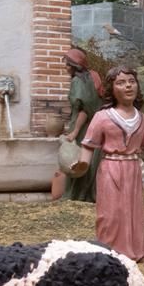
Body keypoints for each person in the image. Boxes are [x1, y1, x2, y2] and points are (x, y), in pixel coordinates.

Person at [71, 65, 144, 261]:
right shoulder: (102, 117)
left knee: (133, 212)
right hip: (111, 169)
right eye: (121, 83)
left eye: (132, 82)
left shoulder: (142, 118)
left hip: (133, 170)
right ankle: (110, 250)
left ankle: (135, 251)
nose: (128, 87)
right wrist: (83, 163)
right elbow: (89, 146)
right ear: (111, 89)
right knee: (111, 213)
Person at [60, 47, 106, 202]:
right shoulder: (93, 77)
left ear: (75, 65)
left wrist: (74, 131)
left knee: (77, 161)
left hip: (83, 127)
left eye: (67, 64)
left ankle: (77, 195)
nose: (65, 67)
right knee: (90, 160)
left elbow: (84, 110)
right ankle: (88, 195)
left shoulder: (77, 81)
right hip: (95, 126)